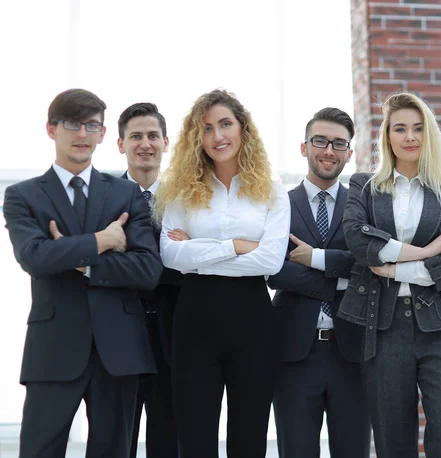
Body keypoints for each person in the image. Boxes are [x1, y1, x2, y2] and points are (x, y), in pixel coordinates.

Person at [3, 88, 163, 458]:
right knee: (40, 450)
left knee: (113, 451)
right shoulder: (24, 196)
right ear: (51, 129)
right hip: (54, 348)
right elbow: (35, 258)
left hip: (119, 350)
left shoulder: (126, 194)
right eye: (72, 124)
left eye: (92, 126)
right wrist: (102, 240)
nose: (82, 135)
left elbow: (147, 269)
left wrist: (78, 259)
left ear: (104, 134)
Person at [154, 89, 290, 458]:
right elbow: (170, 256)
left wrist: (197, 252)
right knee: (195, 441)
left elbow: (271, 262)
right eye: (207, 128)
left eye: (225, 124)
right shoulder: (180, 191)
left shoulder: (273, 193)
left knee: (249, 441)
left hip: (254, 324)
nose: (218, 136)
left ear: (243, 129)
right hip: (195, 323)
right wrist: (237, 246)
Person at [339, 92, 441, 458]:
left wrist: (393, 268)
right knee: (393, 440)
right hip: (383, 326)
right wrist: (429, 251)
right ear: (387, 136)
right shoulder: (364, 187)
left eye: (418, 128)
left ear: (428, 134)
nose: (410, 136)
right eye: (400, 129)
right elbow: (358, 240)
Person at [267, 108, 371, 458]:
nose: (329, 150)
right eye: (321, 141)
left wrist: (315, 260)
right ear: (304, 147)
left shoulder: (364, 205)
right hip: (295, 352)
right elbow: (274, 270)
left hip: (352, 351)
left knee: (353, 450)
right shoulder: (279, 203)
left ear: (349, 153)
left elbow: (369, 264)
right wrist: (344, 281)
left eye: (339, 144)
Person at [117, 102, 181, 458]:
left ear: (166, 142)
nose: (146, 143)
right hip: (119, 337)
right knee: (117, 439)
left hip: (174, 336)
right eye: (136, 136)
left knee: (169, 441)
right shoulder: (103, 198)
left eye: (153, 135)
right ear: (121, 144)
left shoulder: (187, 198)